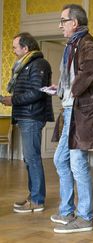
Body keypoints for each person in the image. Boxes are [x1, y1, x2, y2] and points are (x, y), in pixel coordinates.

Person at [49, 4, 93, 234]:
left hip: (83, 114)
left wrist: (72, 90)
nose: (60, 25)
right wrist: (62, 88)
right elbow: (78, 76)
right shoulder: (74, 44)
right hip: (71, 112)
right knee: (60, 159)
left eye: (63, 21)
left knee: (77, 163)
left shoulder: (86, 43)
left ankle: (85, 217)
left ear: (74, 23)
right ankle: (67, 211)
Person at [0, 32, 54, 213]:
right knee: (29, 159)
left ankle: (38, 200)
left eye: (15, 47)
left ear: (26, 48)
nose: (13, 51)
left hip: (32, 117)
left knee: (33, 159)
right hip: (26, 117)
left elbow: (37, 93)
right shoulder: (25, 65)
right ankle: (33, 196)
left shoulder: (39, 64)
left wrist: (12, 100)